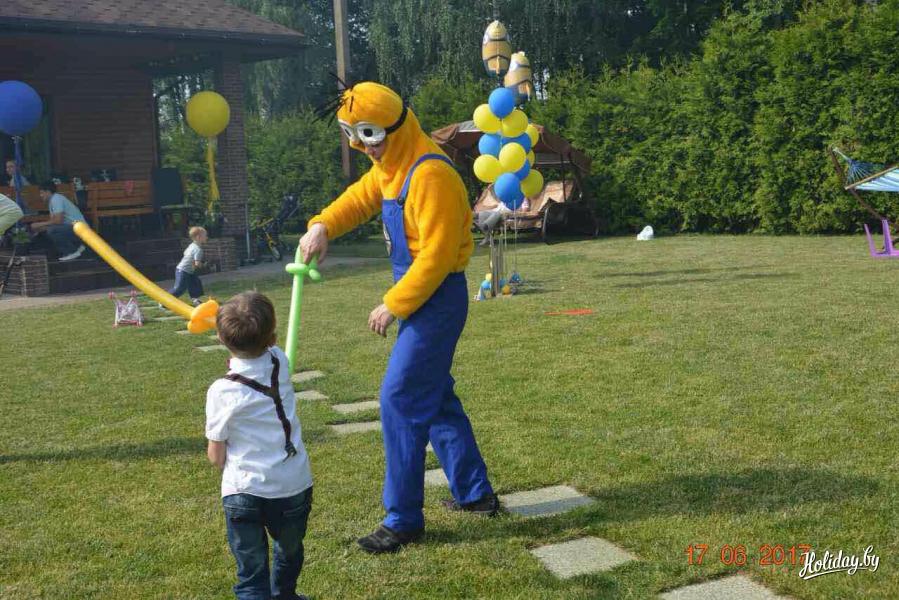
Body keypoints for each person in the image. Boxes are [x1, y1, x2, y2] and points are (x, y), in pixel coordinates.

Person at [300, 81, 497, 554]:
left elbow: (438, 256)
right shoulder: (391, 166)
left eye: (370, 136)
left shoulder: (430, 174)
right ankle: (475, 494)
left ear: (396, 126)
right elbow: (359, 198)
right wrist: (322, 225)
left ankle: (403, 519)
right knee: (434, 395)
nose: (364, 148)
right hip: (421, 295)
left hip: (438, 298)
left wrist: (394, 304)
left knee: (401, 396)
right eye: (354, 136)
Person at [206, 291, 314, 600]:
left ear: (221, 338)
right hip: (292, 484)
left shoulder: (222, 391)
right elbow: (261, 349)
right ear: (272, 337)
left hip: (243, 491)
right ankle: (285, 595)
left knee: (251, 576)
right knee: (289, 551)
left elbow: (216, 456)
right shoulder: (280, 360)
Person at [30, 180, 86, 261]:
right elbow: (54, 222)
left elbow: (58, 221)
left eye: (42, 193)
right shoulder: (53, 201)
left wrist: (40, 224)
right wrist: (41, 228)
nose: (40, 195)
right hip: (76, 228)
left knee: (52, 230)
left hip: (81, 229)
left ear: (48, 192)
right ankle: (77, 246)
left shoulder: (56, 199)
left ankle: (71, 252)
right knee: (49, 229)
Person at [167, 226, 207, 306]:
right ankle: (164, 300)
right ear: (198, 237)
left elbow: (185, 253)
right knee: (180, 288)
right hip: (183, 271)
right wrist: (203, 265)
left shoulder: (192, 245)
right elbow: (197, 264)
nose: (206, 237)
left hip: (188, 270)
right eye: (205, 235)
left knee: (195, 283)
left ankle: (195, 299)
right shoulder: (198, 250)